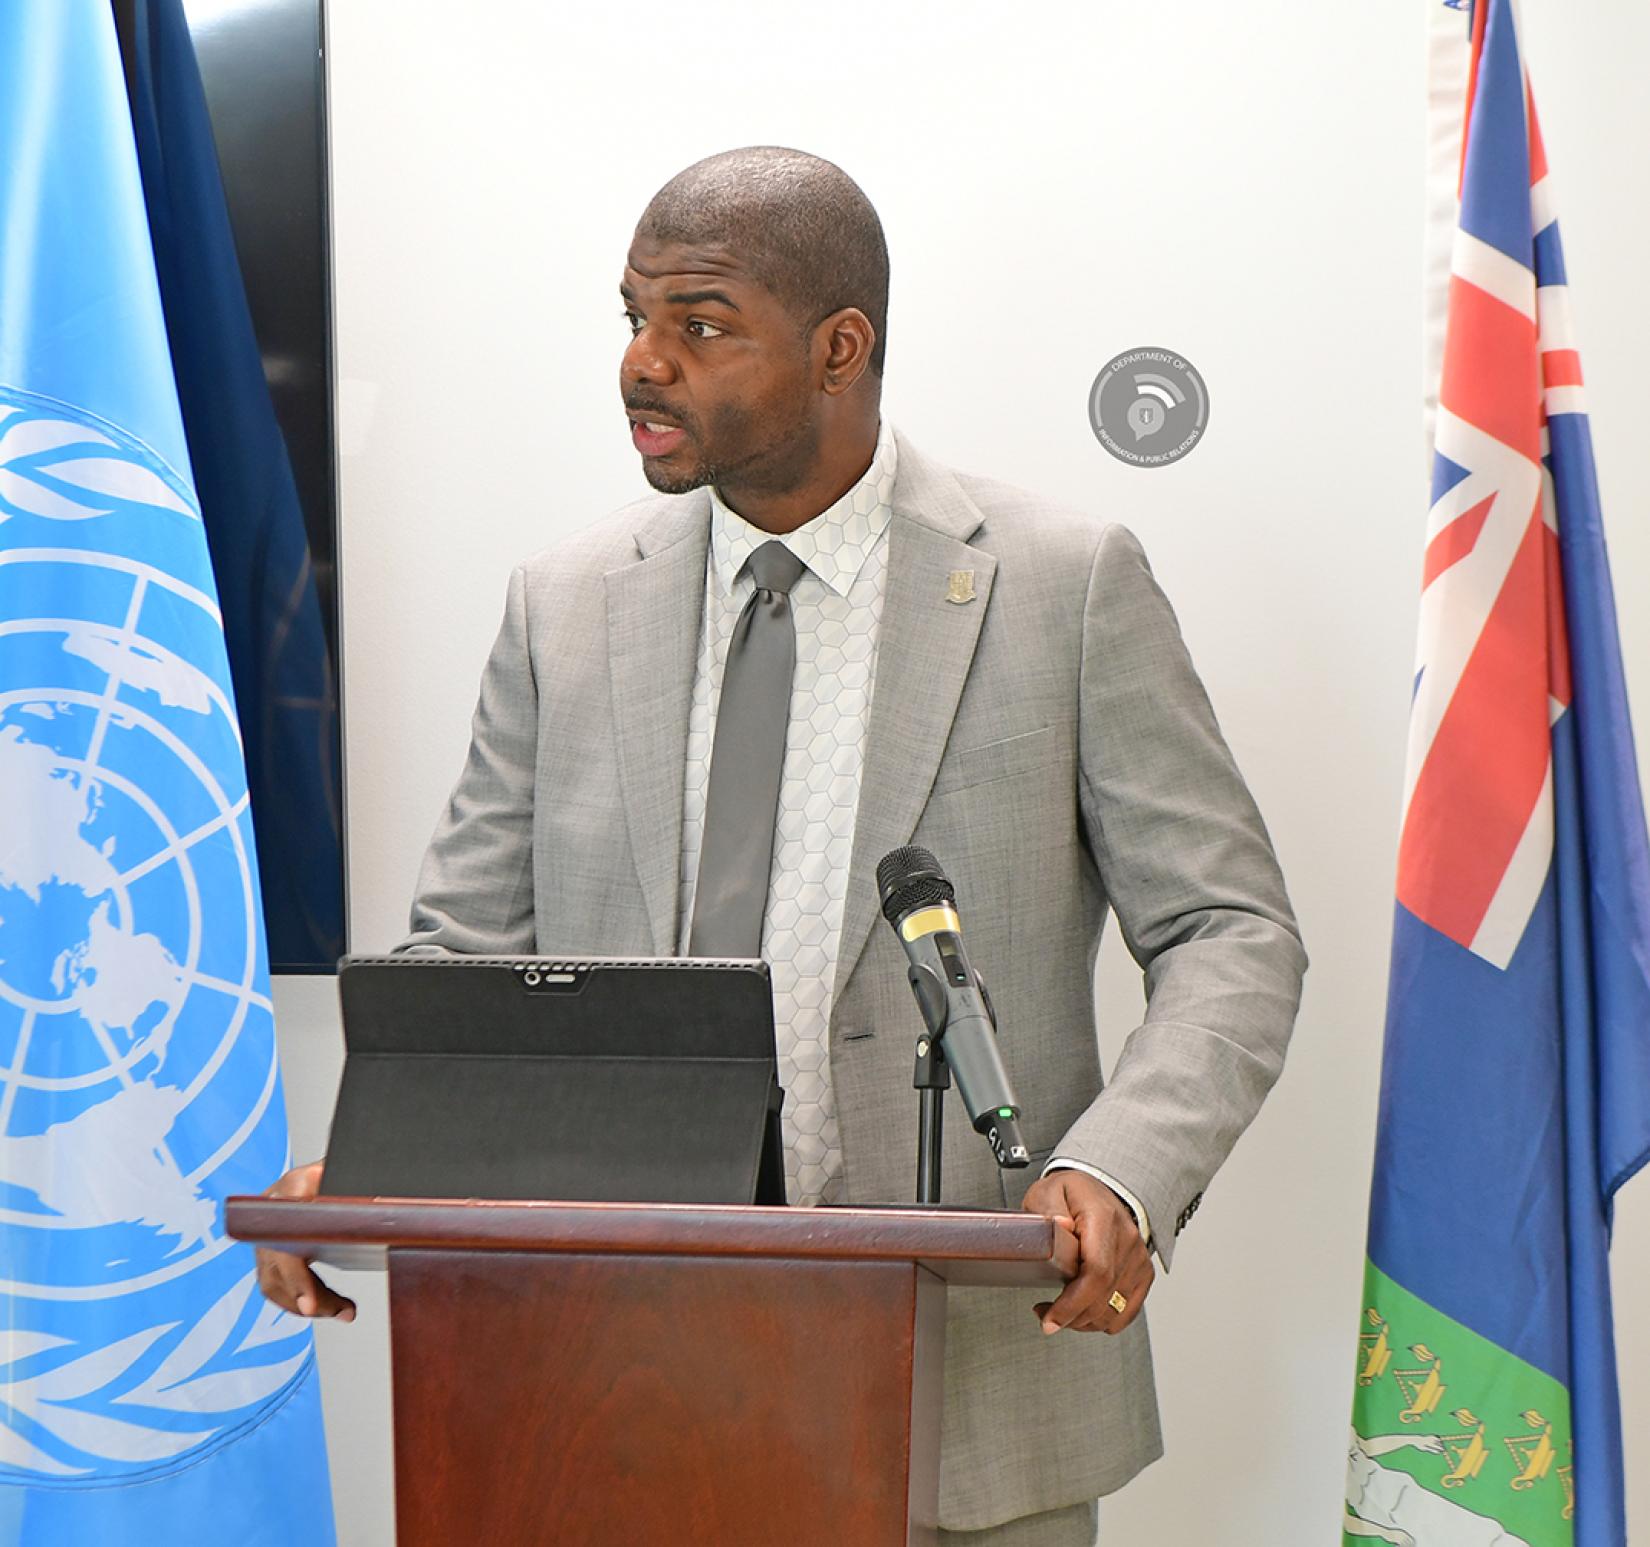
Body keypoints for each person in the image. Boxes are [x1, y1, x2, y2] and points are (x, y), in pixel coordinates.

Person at [256, 147, 1306, 1546]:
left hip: (969, 1411)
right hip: (606, 1398)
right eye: (631, 317)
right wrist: (375, 1154)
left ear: (837, 348)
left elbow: (1228, 929)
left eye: (697, 324)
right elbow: (468, 964)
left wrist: (1116, 1166)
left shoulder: (1061, 583)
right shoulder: (564, 606)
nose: (643, 364)